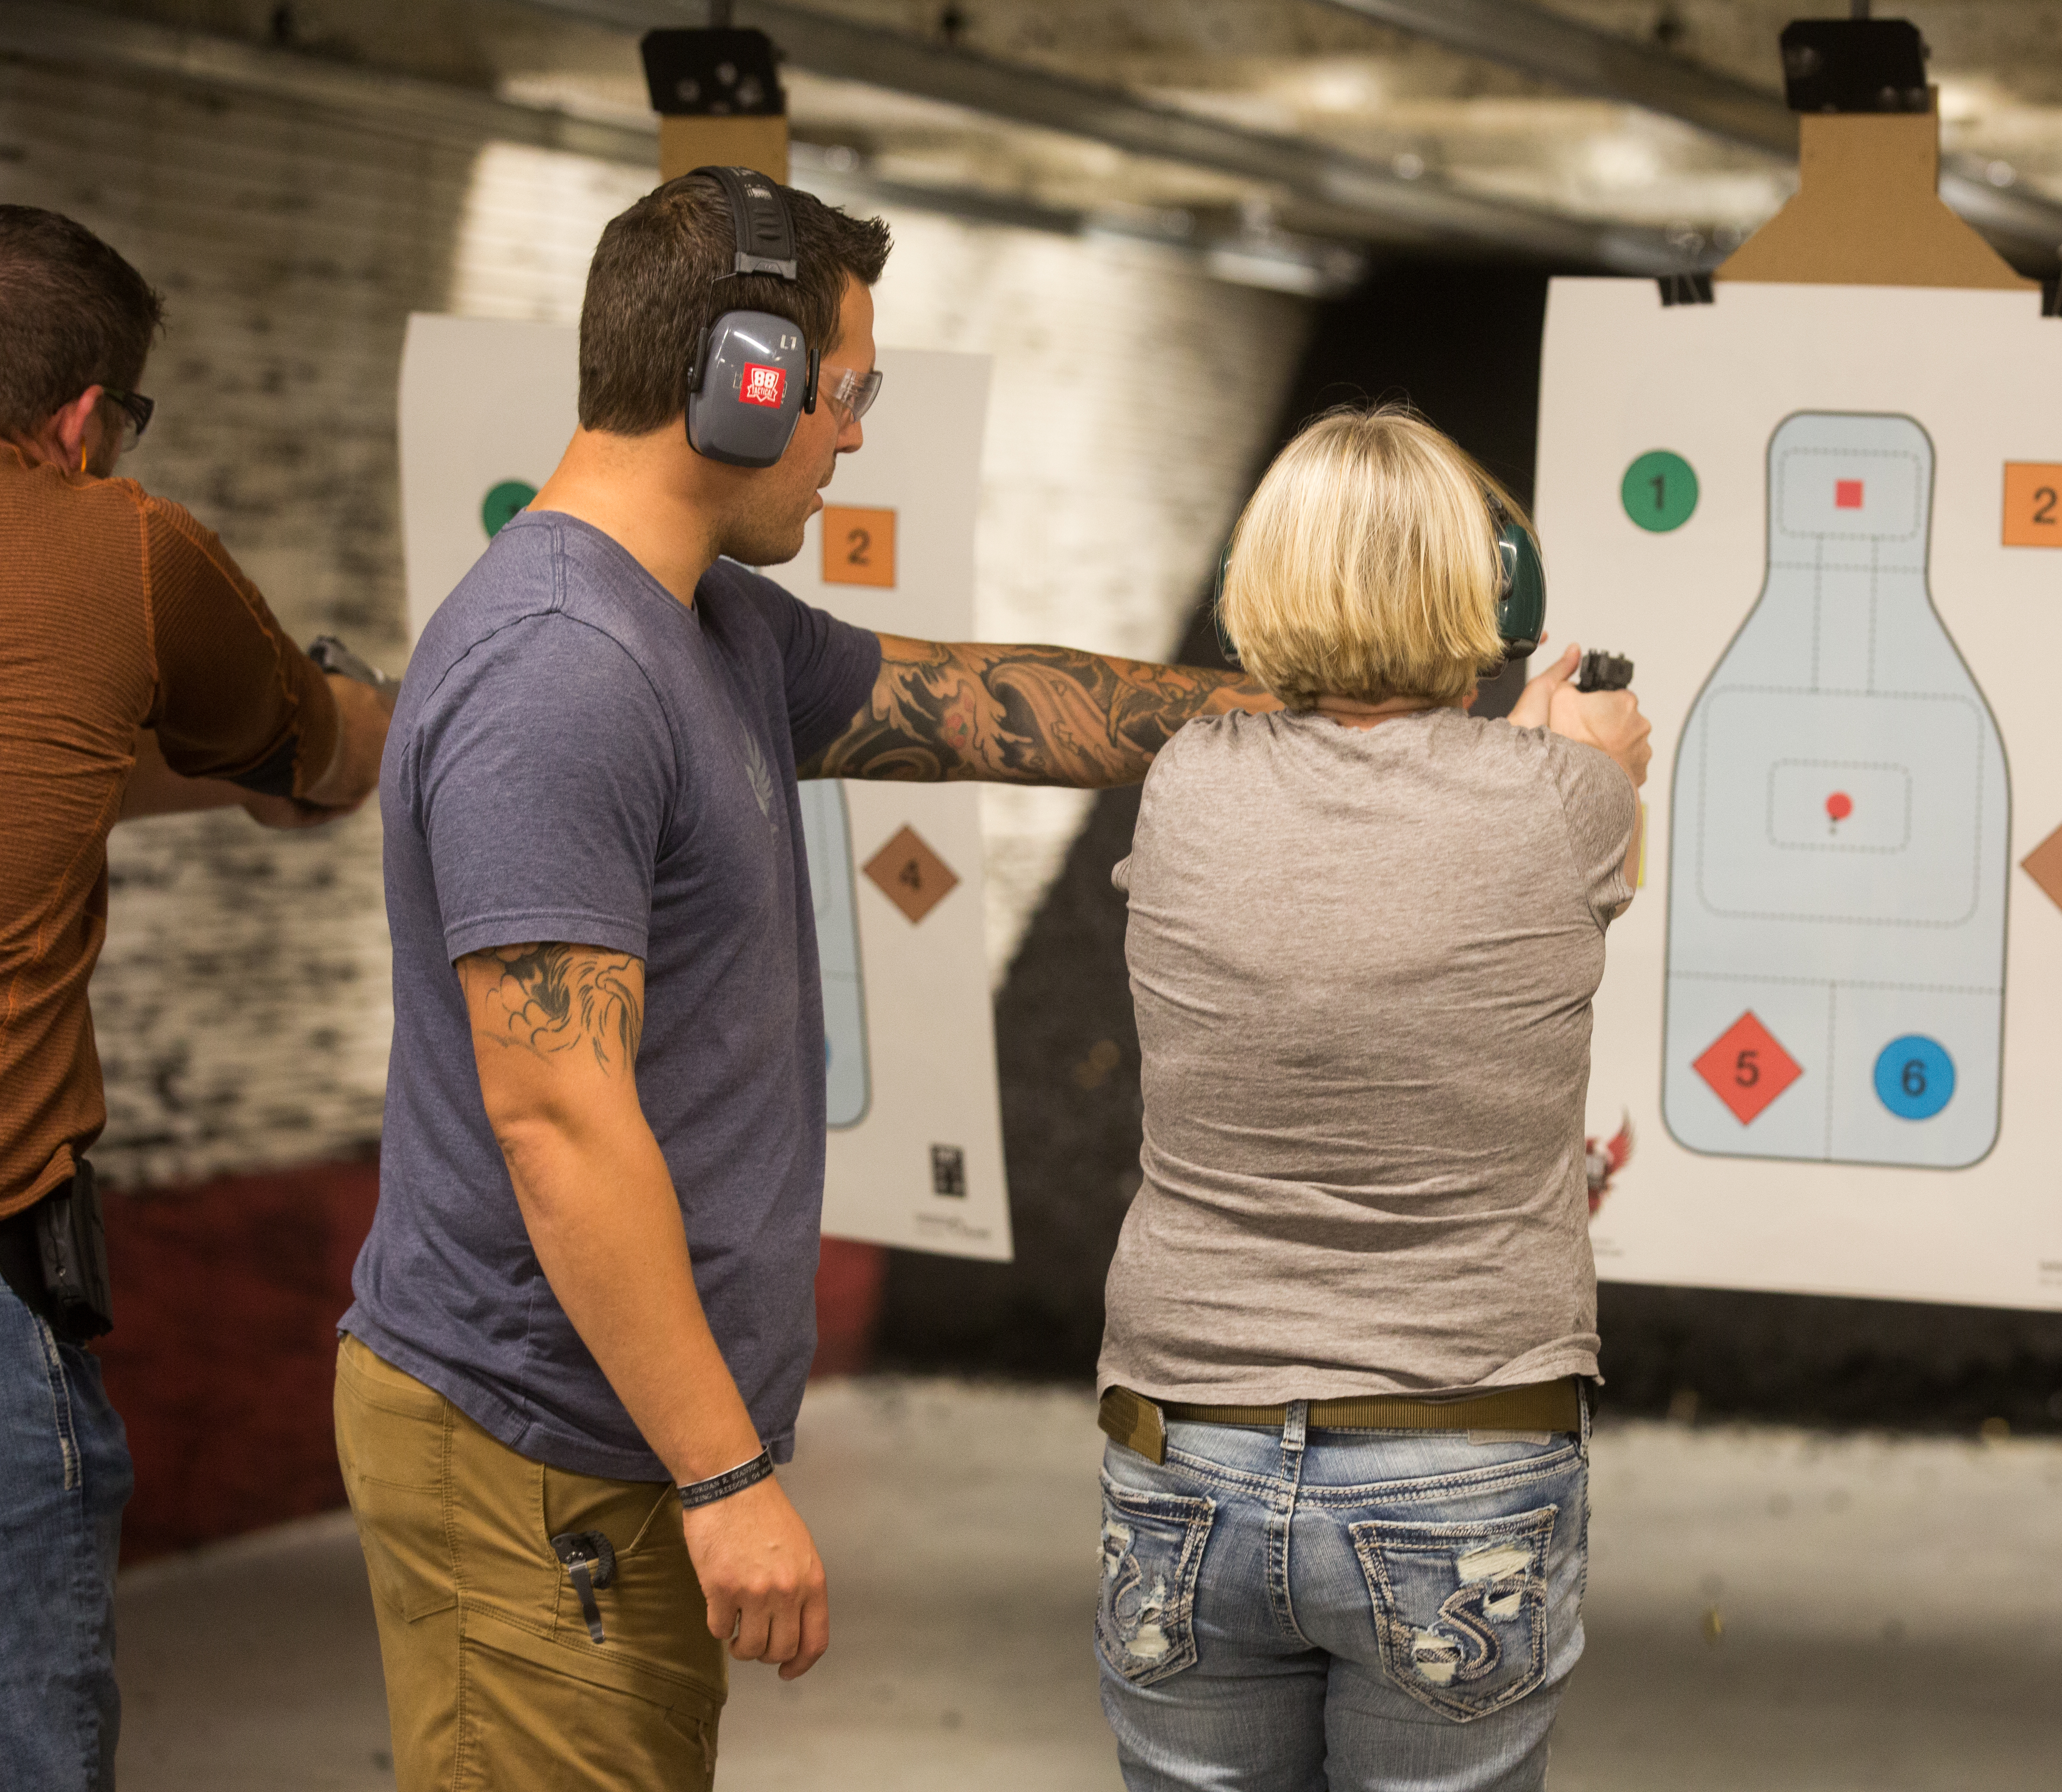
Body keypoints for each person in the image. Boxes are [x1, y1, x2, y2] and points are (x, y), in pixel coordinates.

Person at [330, 168, 1274, 1790]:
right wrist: (723, 1478)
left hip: (601, 1445)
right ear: (742, 382)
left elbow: (977, 706)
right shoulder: (562, 672)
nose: (851, 438)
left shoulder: (710, 630)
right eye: (845, 393)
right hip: (540, 1450)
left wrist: (1317, 718)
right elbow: (556, 1121)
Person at [1093, 404, 1652, 1792]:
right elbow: (1527, 836)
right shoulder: (1568, 803)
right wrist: (1585, 755)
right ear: (1487, 588)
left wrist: (1529, 758)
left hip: (1186, 1451)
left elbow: (1365, 813)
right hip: (1463, 1456)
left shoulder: (1185, 784)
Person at [0, 204, 388, 1791]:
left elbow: (49, 762)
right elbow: (321, 751)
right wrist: (371, 713)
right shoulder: (116, 542)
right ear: (85, 421)